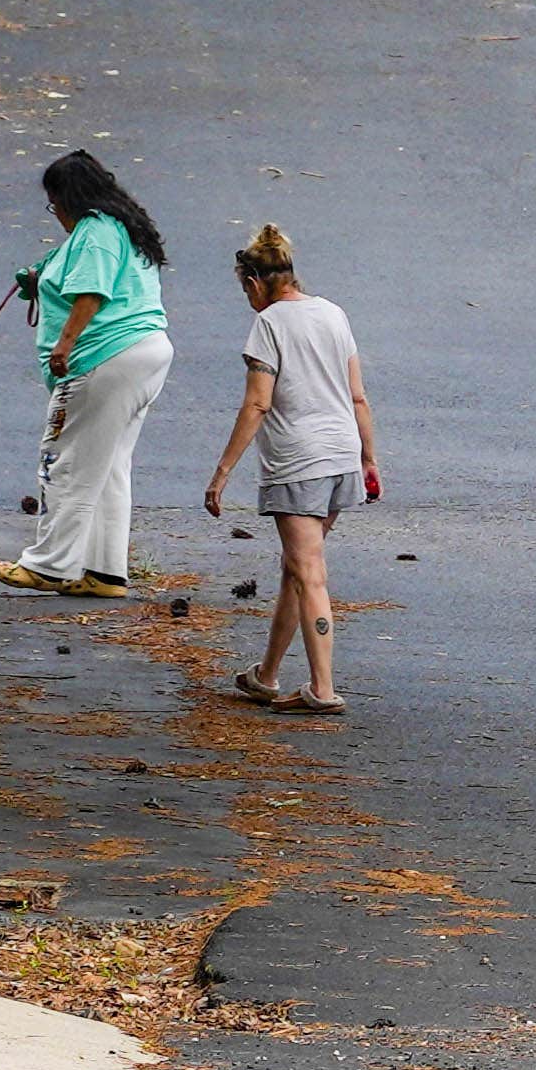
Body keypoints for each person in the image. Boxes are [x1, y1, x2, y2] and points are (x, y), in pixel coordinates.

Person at [195, 227, 378, 711]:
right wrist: (368, 457)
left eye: (244, 290)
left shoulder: (270, 324)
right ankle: (267, 675)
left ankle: (322, 690)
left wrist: (222, 472)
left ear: (255, 282)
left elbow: (258, 403)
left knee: (309, 571)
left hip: (299, 463)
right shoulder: (333, 313)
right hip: (340, 456)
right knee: (295, 569)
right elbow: (357, 394)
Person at [5, 149, 171, 592]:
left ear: (68, 197)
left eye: (53, 201)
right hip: (144, 353)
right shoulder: (120, 227)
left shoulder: (96, 231)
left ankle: (48, 564)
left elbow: (92, 292)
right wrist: (39, 278)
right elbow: (76, 277)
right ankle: (104, 570)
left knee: (65, 460)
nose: (54, 210)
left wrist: (65, 344)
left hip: (105, 357)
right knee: (109, 464)